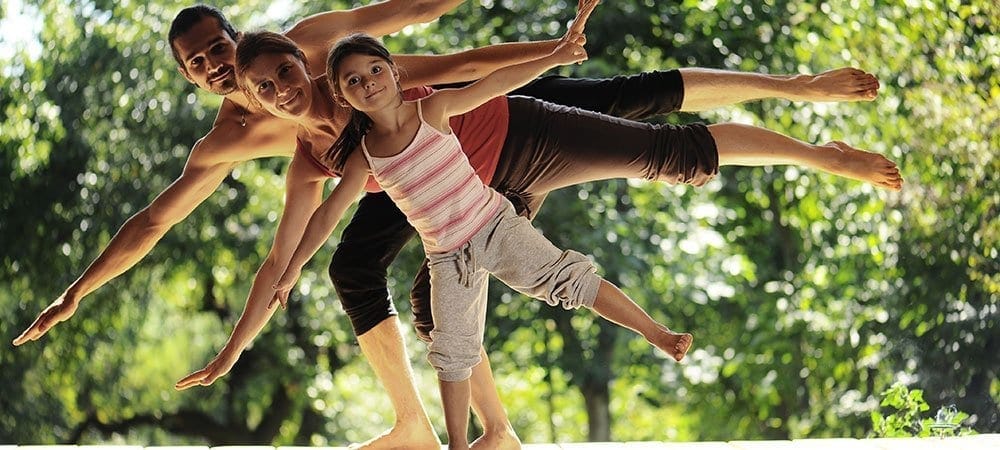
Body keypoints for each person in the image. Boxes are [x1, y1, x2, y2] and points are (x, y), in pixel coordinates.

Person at [13, 2, 901, 449]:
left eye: (223, 49)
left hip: (486, 121)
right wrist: (79, 292)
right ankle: (469, 430)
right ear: (200, 79)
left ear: (271, 50)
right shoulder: (254, 143)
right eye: (199, 64)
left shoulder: (327, 54)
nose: (218, 68)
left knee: (635, 113)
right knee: (390, 285)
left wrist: (541, 52)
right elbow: (167, 225)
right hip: (441, 189)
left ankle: (802, 108)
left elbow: (425, 40)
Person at [271, 28, 696, 448]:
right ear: (344, 97)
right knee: (452, 353)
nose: (368, 83)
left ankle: (657, 333)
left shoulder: (432, 109)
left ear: (396, 73)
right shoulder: (364, 156)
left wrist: (557, 54)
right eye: (354, 80)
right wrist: (291, 270)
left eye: (375, 69)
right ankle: (458, 444)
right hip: (446, 258)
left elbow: (495, 83)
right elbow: (327, 213)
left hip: (495, 225)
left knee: (570, 280)